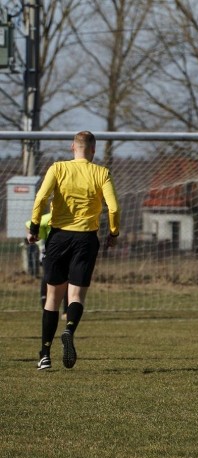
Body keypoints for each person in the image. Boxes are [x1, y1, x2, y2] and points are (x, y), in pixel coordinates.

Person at [27, 131, 121, 370]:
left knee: (52, 298)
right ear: (93, 150)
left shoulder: (57, 168)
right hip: (86, 240)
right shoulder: (101, 172)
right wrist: (113, 232)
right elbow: (114, 207)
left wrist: (35, 226)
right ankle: (69, 330)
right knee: (76, 297)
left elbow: (40, 198)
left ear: (72, 147)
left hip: (59, 237)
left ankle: (45, 354)